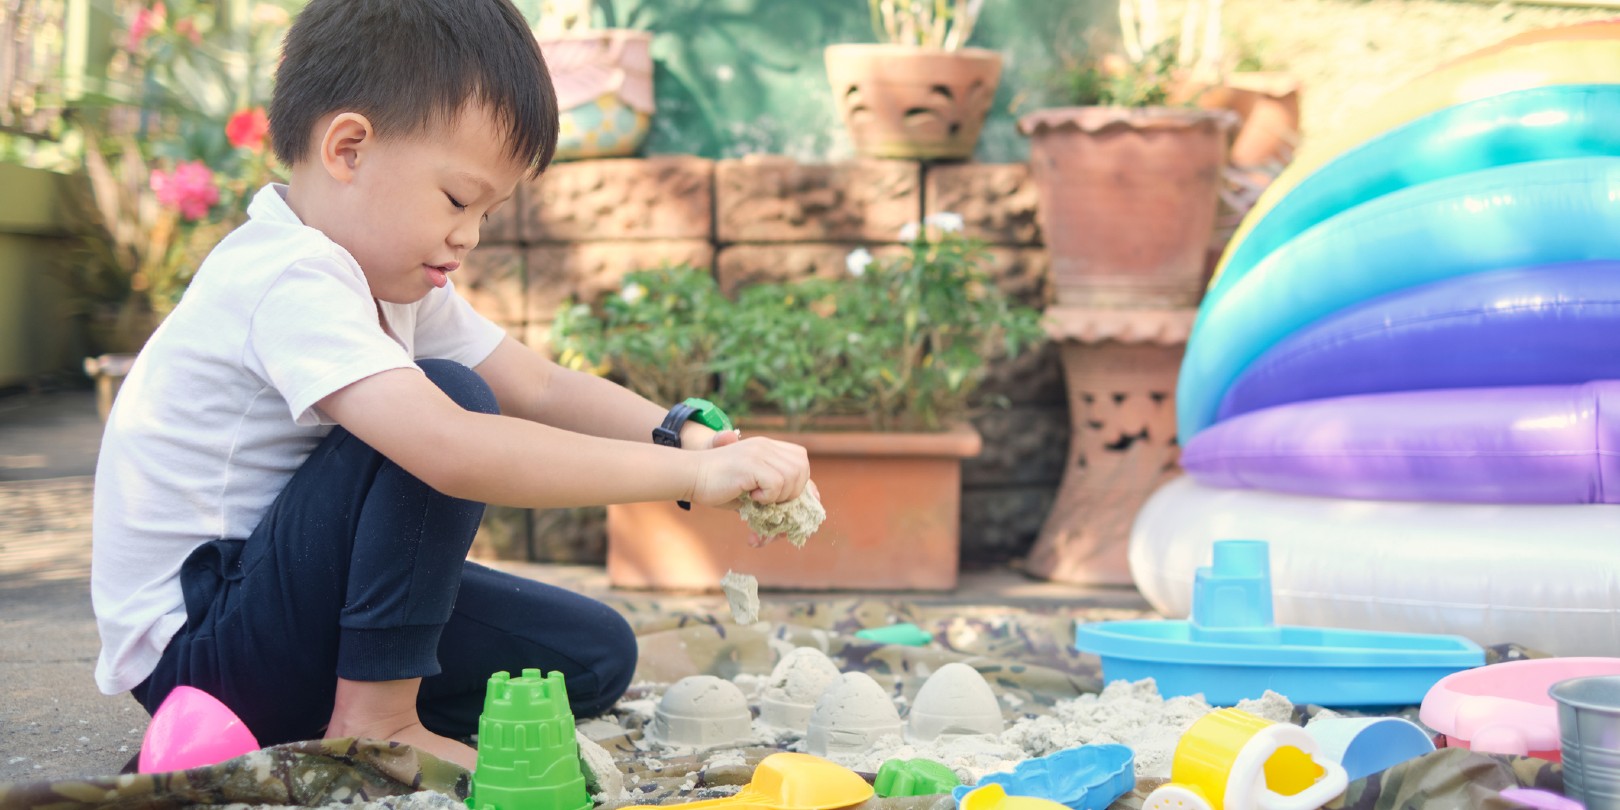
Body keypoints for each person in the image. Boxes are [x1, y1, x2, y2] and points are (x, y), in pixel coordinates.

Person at [89, 0, 812, 772]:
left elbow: (537, 384)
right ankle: (376, 718)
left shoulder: (397, 284)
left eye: (489, 213)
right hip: (206, 653)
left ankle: (347, 698)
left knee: (593, 656)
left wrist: (685, 432)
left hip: (289, 616)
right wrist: (695, 477)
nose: (470, 234)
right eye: (459, 200)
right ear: (348, 148)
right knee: (449, 397)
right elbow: (452, 448)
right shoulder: (287, 274)